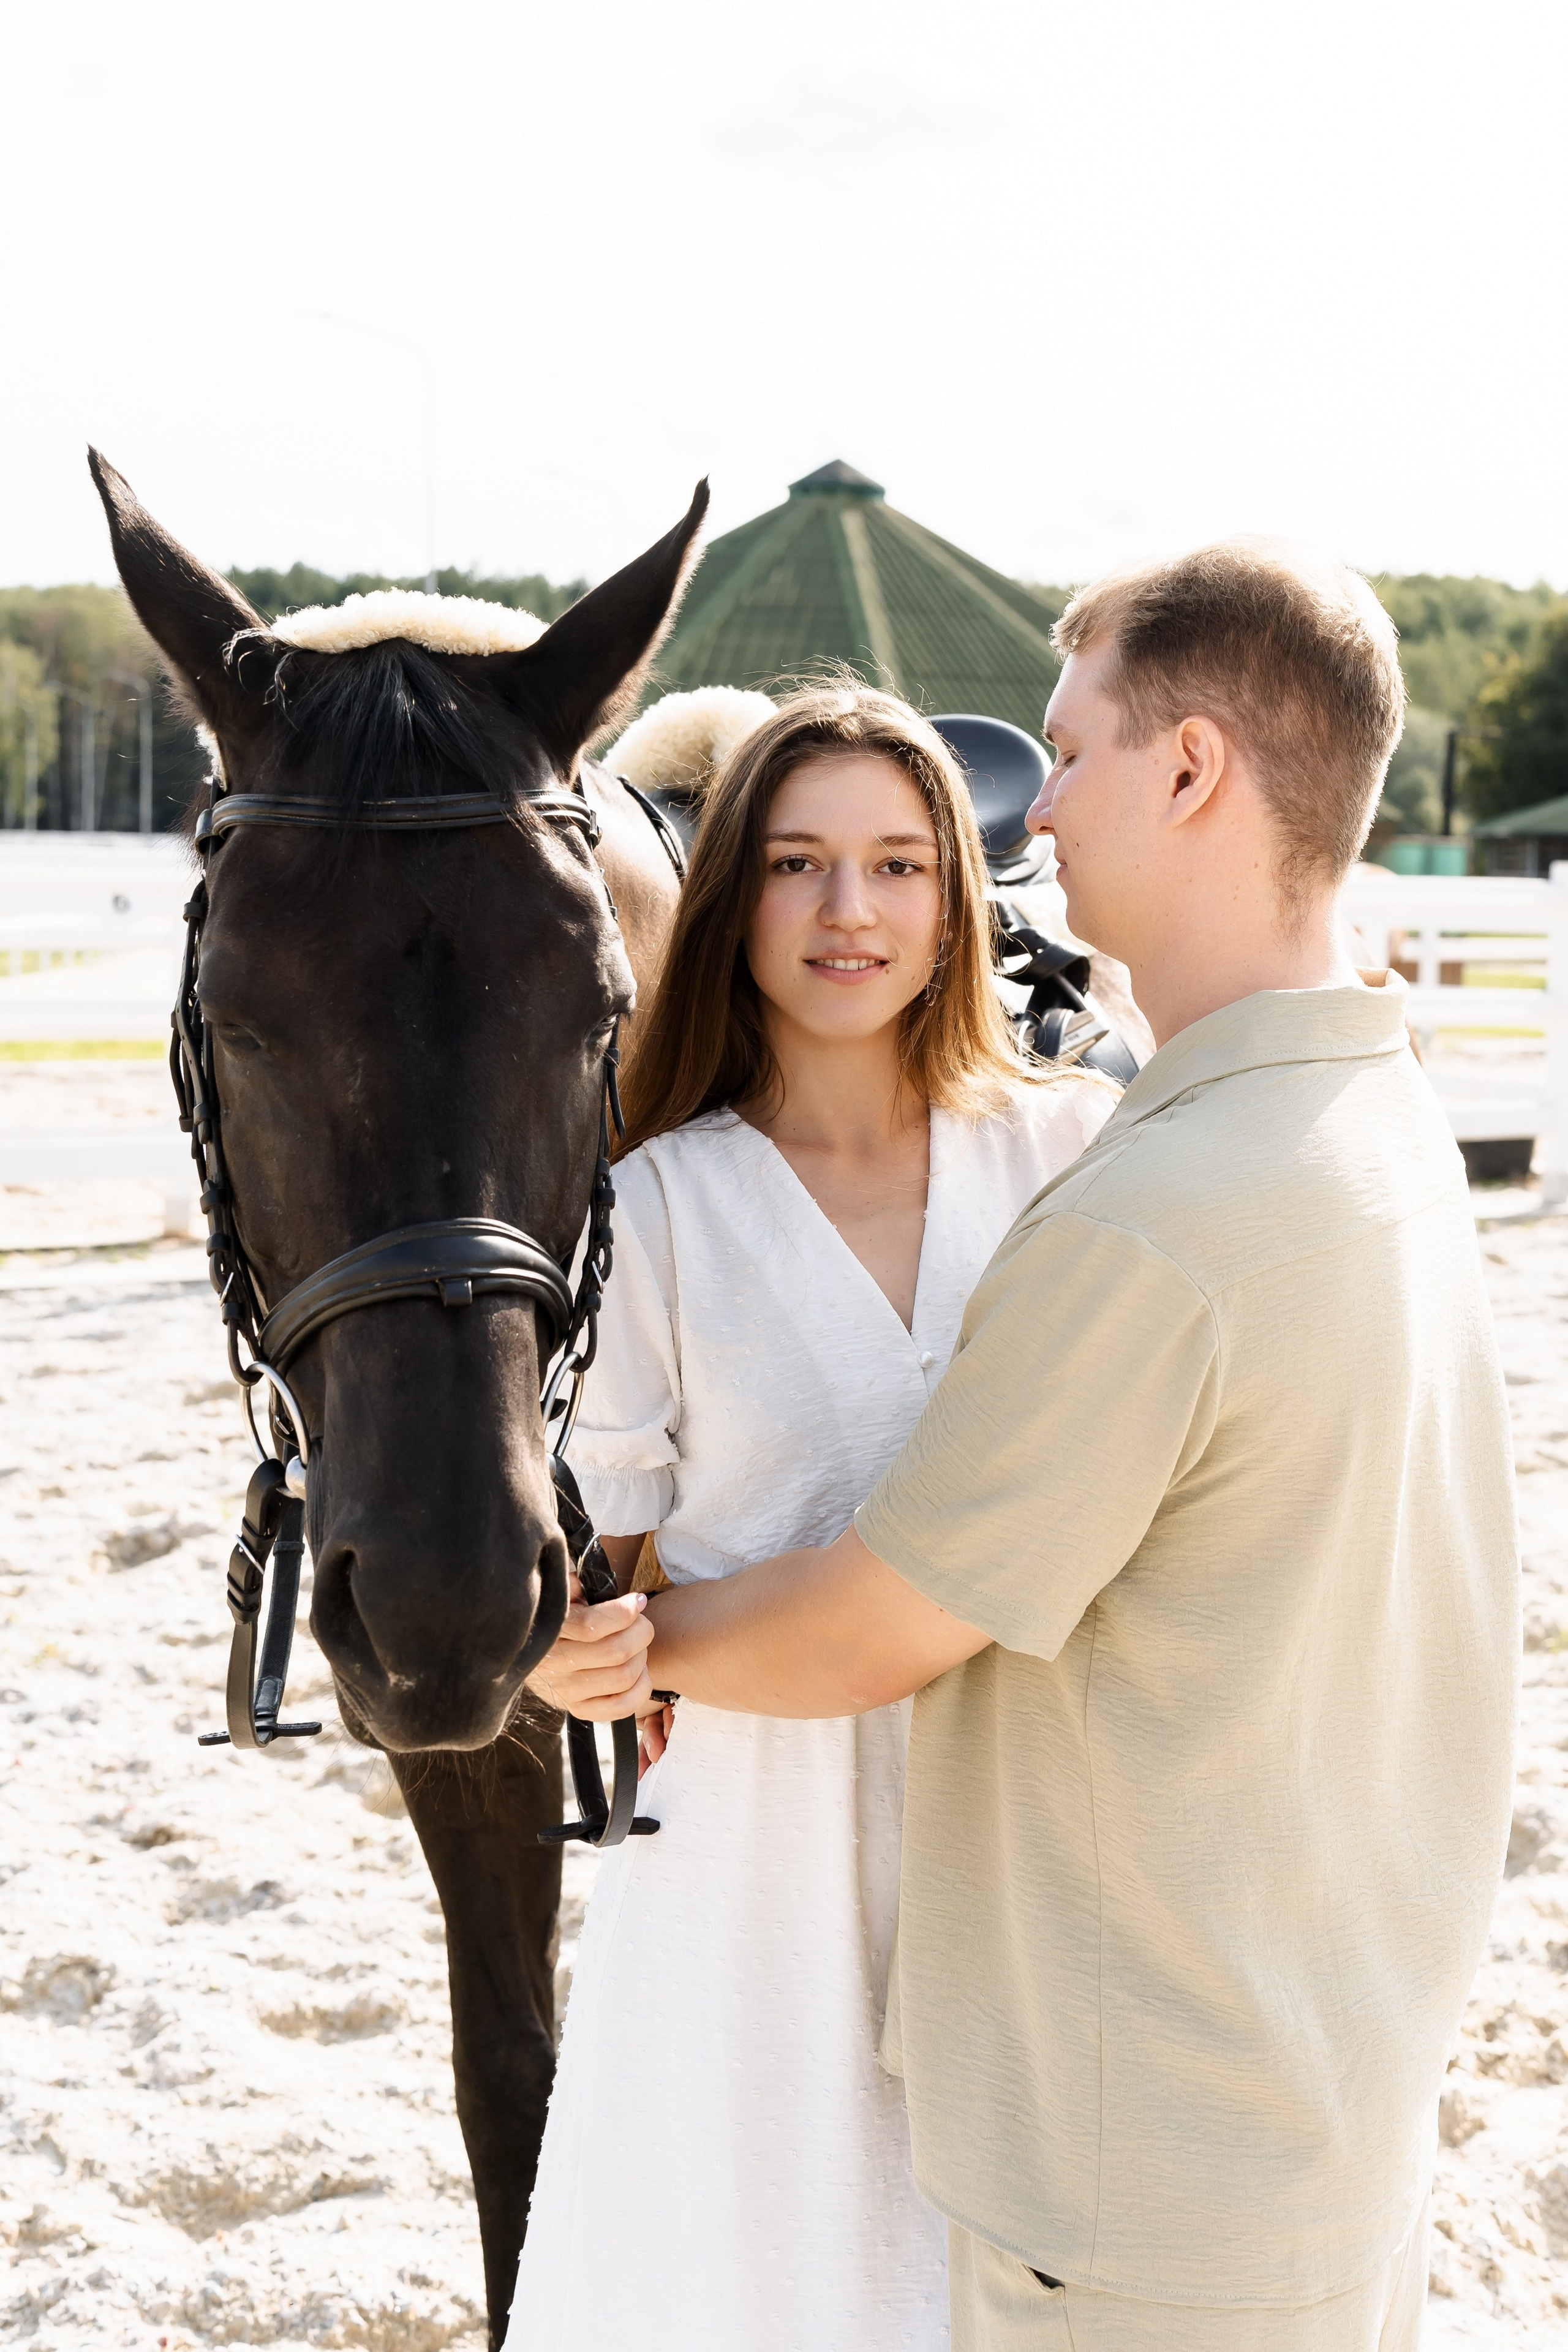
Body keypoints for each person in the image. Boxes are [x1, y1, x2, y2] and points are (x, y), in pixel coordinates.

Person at [545, 545, 1520, 2351]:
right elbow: (606, 1533)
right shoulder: (1355, 1127)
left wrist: (637, 1652)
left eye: (1059, 760)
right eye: (797, 863)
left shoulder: (1111, 1184)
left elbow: (889, 1610)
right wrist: (588, 1624)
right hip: (1065, 1953)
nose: (1038, 814)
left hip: (1109, 2008)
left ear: (1194, 770)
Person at [507, 684, 1116, 2349]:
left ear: (956, 899)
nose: (851, 912)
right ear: (734, 899)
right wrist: (578, 1661)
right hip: (747, 1864)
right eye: (796, 863)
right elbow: (607, 1589)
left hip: (1025, 1826)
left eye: (899, 865)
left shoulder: (1077, 1156)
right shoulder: (654, 1203)